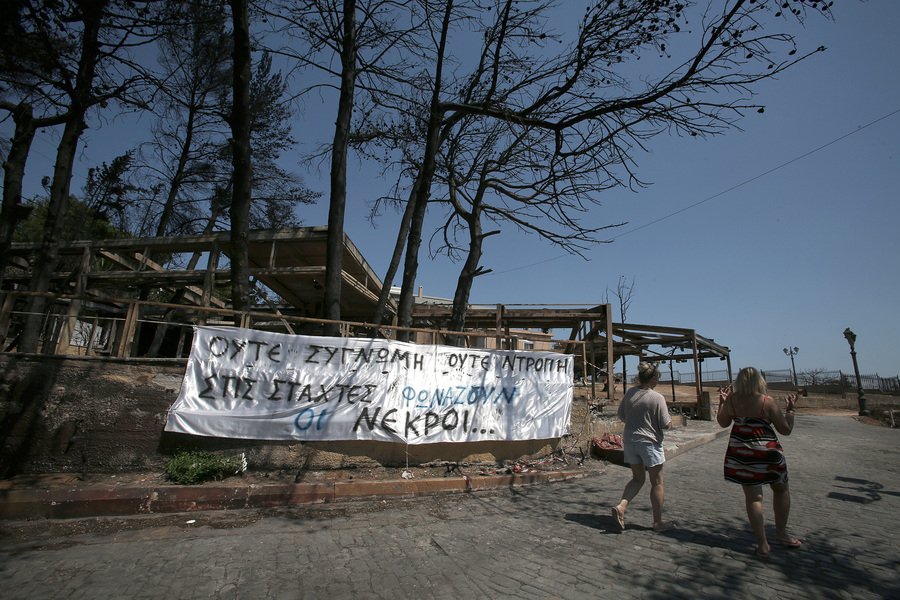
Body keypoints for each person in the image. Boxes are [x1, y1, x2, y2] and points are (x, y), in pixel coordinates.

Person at [717, 367, 801, 559]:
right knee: (781, 489)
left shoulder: (732, 400)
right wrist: (790, 409)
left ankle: (762, 543)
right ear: (759, 381)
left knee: (754, 498)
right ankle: (781, 533)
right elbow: (785, 429)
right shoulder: (767, 402)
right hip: (768, 452)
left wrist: (722, 403)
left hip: (743, 454)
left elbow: (722, 423)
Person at [611, 361, 673, 532]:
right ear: (653, 378)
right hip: (649, 443)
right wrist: (670, 422)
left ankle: (622, 506)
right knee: (657, 482)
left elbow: (621, 415)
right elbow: (665, 423)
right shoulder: (657, 397)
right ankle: (658, 522)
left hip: (630, 441)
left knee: (637, 478)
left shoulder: (630, 392)